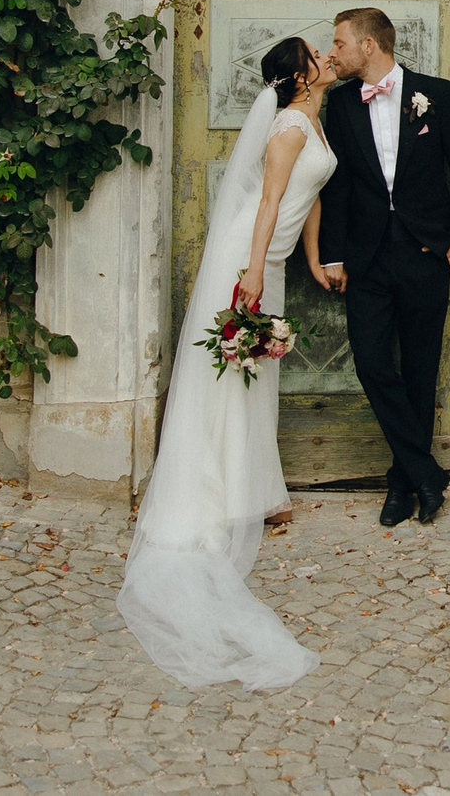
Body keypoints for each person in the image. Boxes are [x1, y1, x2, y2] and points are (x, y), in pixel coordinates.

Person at [118, 36, 332, 690]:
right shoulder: (291, 125)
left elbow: (311, 197)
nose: (327, 56)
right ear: (298, 76)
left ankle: (256, 490)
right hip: (250, 254)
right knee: (230, 375)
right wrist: (252, 273)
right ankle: (222, 493)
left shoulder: (310, 121)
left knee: (252, 376)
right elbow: (269, 202)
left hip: (272, 257)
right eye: (316, 53)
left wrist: (315, 261)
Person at [308, 6, 450, 528]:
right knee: (372, 364)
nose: (332, 52)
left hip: (426, 253)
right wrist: (335, 254)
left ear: (370, 45)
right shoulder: (339, 106)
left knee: (421, 370)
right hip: (366, 259)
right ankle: (426, 472)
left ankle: (402, 483)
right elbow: (334, 186)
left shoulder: (438, 96)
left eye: (339, 42)